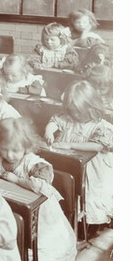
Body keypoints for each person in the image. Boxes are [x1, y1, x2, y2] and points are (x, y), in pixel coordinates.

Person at [0, 117, 77, 261]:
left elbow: (42, 184)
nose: (9, 155)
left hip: (42, 215)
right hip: (14, 207)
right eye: (4, 149)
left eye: (15, 150)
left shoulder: (32, 162)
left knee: (47, 248)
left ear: (26, 146)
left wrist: (17, 179)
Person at [45, 81, 113, 229]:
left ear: (91, 107)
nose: (74, 114)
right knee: (67, 188)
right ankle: (68, 215)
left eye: (78, 111)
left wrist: (69, 145)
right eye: (71, 110)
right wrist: (49, 130)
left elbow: (97, 145)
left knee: (89, 195)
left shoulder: (101, 126)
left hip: (91, 168)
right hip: (70, 163)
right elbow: (55, 121)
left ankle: (90, 224)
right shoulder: (69, 118)